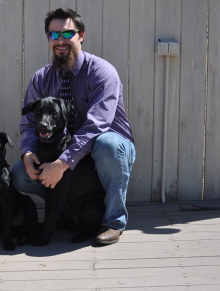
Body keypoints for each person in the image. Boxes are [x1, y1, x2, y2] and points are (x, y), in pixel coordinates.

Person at [11, 8, 136, 245]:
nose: (60, 40)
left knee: (106, 144)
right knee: (19, 175)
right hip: (67, 151)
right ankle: (66, 214)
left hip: (106, 147)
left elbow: (96, 125)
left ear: (81, 35)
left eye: (67, 34)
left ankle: (113, 221)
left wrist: (62, 163)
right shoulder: (41, 79)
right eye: (54, 35)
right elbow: (29, 123)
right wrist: (27, 153)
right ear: (48, 38)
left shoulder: (101, 72)